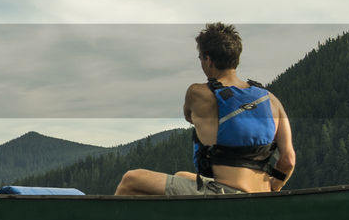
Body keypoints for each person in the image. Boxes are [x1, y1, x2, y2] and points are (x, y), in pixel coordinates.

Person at [115, 23, 296, 196]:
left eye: (201, 58)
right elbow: (288, 160)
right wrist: (275, 186)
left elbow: (189, 117)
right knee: (181, 176)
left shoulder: (197, 93)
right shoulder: (271, 100)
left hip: (226, 194)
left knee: (131, 180)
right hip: (261, 194)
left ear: (208, 60)